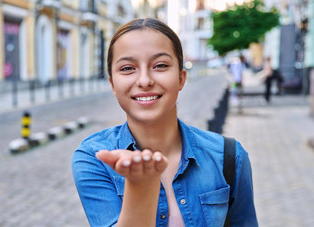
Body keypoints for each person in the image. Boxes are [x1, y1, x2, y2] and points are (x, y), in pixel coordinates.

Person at [72, 18, 258, 227]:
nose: (144, 81)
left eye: (160, 65)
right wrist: (141, 185)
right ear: (112, 84)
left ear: (181, 78)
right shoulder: (94, 158)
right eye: (127, 68)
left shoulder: (229, 155)